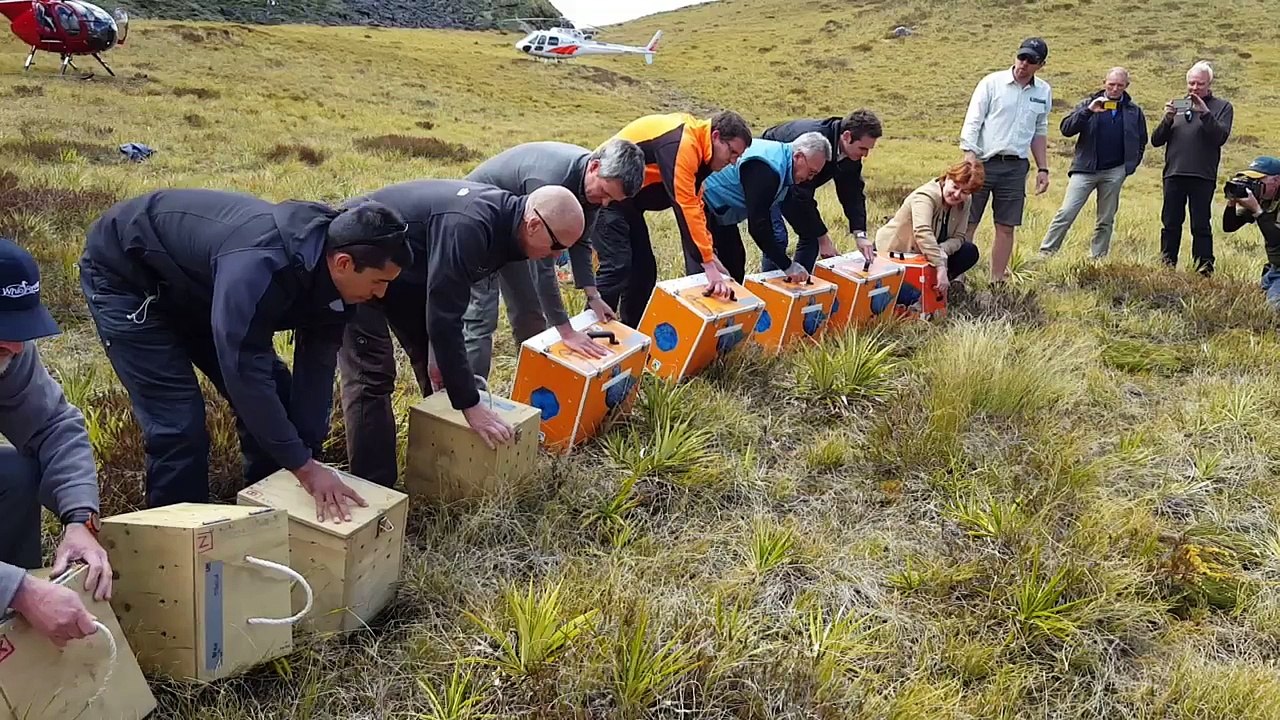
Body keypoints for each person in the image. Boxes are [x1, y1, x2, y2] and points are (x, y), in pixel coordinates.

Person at [79, 189, 412, 522]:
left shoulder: (334, 278)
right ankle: (180, 544)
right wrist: (306, 469)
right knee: (179, 422)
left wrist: (306, 456)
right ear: (344, 263)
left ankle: (266, 512)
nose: (381, 294)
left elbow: (318, 367)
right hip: (128, 276)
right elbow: (245, 373)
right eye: (379, 281)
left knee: (279, 398)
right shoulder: (260, 266)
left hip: (198, 285)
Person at [336, 181, 585, 487]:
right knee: (371, 373)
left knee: (439, 369)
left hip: (410, 277)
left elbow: (446, 300)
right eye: (557, 247)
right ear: (534, 224)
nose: (554, 257)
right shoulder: (472, 225)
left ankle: (445, 466)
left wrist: (439, 361)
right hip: (362, 258)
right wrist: (469, 402)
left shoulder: (507, 228)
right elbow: (445, 318)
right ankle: (374, 491)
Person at [1, 238, 112, 648]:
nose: (13, 347)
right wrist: (19, 589)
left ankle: (11, 633)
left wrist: (80, 519)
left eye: (18, 331)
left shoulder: (9, 352)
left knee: (14, 472)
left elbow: (53, 427)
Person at [460, 139, 646, 380]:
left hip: (517, 228)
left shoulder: (592, 188)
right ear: (594, 167)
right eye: (605, 193)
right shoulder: (552, 180)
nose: (605, 203)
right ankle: (470, 398)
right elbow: (543, 268)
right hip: (476, 221)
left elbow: (581, 241)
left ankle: (533, 382)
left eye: (612, 200)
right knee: (482, 317)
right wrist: (565, 331)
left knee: (530, 311)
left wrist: (594, 295)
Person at [593, 110, 753, 327]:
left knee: (643, 272)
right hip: (604, 193)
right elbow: (684, 205)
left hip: (627, 202)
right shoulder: (682, 144)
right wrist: (708, 266)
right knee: (617, 267)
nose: (733, 162)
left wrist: (711, 256)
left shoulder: (699, 149)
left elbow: (696, 207)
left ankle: (631, 335)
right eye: (732, 152)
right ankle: (592, 331)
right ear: (716, 136)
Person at [960, 37, 1054, 283]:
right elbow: (973, 120)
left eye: (1031, 60)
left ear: (1041, 64)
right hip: (982, 162)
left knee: (1006, 225)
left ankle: (996, 280)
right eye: (1021, 57)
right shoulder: (992, 83)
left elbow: (1039, 129)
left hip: (1015, 167)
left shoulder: (1043, 91)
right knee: (967, 221)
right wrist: (969, 157)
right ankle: (957, 277)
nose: (1023, 64)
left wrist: (1043, 168)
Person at [1039, 67, 1149, 258]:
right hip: (1085, 169)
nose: (1115, 89)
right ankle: (1046, 253)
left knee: (1105, 219)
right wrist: (1088, 111)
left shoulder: (1134, 111)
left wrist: (1128, 167)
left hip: (1115, 171)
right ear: (1104, 83)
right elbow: (1066, 128)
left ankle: (1097, 258)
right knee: (1066, 212)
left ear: (1126, 86)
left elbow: (1141, 139)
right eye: (1111, 84)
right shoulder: (1087, 104)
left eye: (1119, 85)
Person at [759, 109, 883, 271]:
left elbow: (852, 192)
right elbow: (801, 195)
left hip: (796, 184)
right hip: (768, 175)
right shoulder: (816, 143)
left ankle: (799, 286)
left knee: (811, 236)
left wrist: (859, 233)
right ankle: (769, 289)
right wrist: (824, 238)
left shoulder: (851, 155)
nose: (865, 155)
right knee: (777, 237)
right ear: (846, 137)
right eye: (862, 148)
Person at [700, 132, 832, 281]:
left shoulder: (786, 167)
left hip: (722, 210)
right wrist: (788, 266)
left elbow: (797, 210)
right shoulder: (767, 169)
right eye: (811, 172)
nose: (810, 178)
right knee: (707, 269)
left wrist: (821, 236)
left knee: (734, 263)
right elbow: (758, 226)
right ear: (798, 157)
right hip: (703, 200)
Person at [1152, 60, 1234, 276]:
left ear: (1209, 84)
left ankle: (1204, 269)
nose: (1194, 88)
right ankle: (1166, 265)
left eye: (1199, 84)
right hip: (1174, 173)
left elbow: (1220, 137)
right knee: (1170, 222)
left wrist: (1205, 112)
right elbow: (1156, 140)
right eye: (1191, 83)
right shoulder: (1179, 105)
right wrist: (1168, 118)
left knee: (1200, 225)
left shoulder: (1222, 107)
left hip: (1202, 175)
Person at [875, 160, 986, 306]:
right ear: (947, 178)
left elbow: (959, 237)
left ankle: (931, 286)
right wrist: (940, 266)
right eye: (955, 187)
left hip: (928, 254)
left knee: (969, 251)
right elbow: (922, 232)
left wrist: (941, 251)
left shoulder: (966, 201)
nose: (957, 194)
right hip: (897, 254)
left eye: (964, 192)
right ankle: (922, 289)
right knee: (900, 298)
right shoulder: (925, 196)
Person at [1221, 156, 1280, 308]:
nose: (1254, 184)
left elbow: (1276, 240)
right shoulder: (1265, 199)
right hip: (1275, 267)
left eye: (1259, 180)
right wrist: (1232, 202)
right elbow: (1229, 226)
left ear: (1276, 180)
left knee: (1273, 308)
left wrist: (1257, 211)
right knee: (1251, 302)